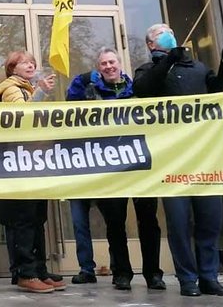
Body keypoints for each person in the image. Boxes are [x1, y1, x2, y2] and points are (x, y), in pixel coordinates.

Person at [132, 23, 223, 298]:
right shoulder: (147, 70)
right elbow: (143, 89)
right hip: (172, 159)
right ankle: (187, 277)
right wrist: (168, 61)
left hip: (205, 156)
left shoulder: (199, 69)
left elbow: (218, 89)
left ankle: (208, 276)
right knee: (179, 222)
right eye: (160, 33)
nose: (168, 32)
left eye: (169, 29)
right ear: (151, 45)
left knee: (209, 219)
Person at [65, 47, 165, 292]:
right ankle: (122, 273)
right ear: (98, 69)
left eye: (111, 62)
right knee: (115, 223)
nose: (108, 66)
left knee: (148, 222)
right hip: (111, 169)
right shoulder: (91, 92)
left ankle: (153, 273)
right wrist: (84, 78)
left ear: (120, 64)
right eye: (103, 64)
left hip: (141, 165)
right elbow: (70, 102)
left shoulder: (137, 90)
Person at [0, 51, 65, 294]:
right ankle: (26, 272)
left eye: (32, 61)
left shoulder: (27, 88)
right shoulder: (11, 88)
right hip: (19, 163)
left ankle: (39, 270)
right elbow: (21, 117)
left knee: (36, 218)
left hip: (33, 162)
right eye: (24, 62)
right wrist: (41, 91)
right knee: (24, 218)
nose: (30, 64)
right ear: (12, 68)